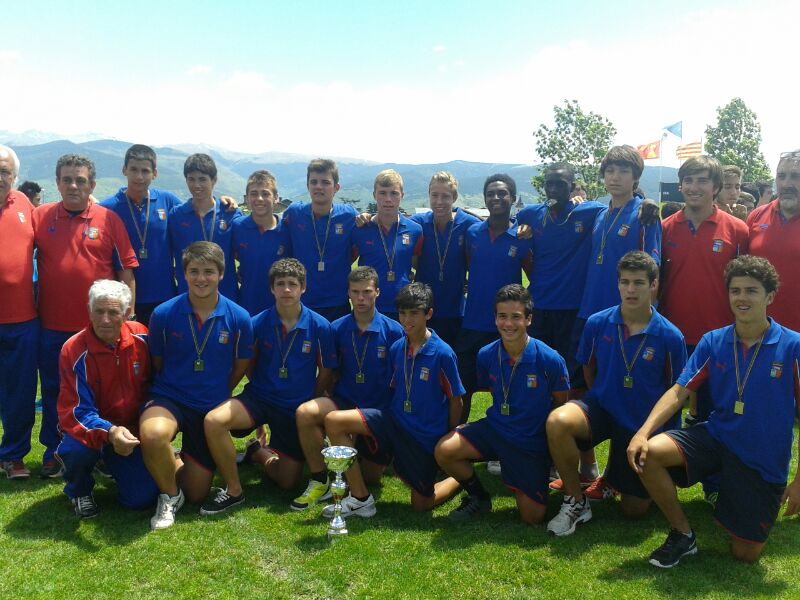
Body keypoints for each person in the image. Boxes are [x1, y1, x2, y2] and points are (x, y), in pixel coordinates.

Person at [628, 255, 800, 567]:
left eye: (751, 290)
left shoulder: (793, 346)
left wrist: (799, 481)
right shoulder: (714, 341)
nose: (742, 298)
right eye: (735, 290)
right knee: (649, 452)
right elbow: (679, 391)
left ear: (770, 296)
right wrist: (642, 433)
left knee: (745, 554)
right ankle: (683, 534)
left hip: (761, 459)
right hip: (717, 437)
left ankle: (734, 498)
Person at [546, 251, 686, 536]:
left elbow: (676, 391)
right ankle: (575, 500)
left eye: (639, 282)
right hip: (602, 408)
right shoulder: (597, 323)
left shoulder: (671, 336)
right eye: (625, 282)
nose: (631, 290)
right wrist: (604, 394)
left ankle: (619, 477)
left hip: (641, 424)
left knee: (634, 510)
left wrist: (655, 436)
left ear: (653, 285)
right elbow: (589, 369)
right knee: (558, 421)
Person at [203, 258, 337, 514]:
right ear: (272, 288)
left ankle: (257, 452)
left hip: (294, 407)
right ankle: (233, 490)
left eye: (292, 284)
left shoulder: (320, 326)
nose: (286, 289)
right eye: (280, 284)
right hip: (260, 398)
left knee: (287, 482)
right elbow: (248, 363)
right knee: (214, 420)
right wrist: (261, 387)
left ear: (303, 288)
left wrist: (313, 398)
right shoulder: (257, 323)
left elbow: (327, 370)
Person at [33, 154, 138, 478]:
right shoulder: (40, 217)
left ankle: (103, 449)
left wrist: (128, 314)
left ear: (92, 184)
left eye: (80, 180)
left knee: (104, 393)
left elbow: (126, 271)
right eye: (67, 179)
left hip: (99, 327)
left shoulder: (109, 220)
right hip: (52, 325)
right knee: (54, 391)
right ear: (57, 183)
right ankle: (54, 451)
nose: (73, 186)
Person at [139, 241, 253, 530]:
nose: (201, 278)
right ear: (184, 274)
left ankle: (174, 462)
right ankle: (169, 496)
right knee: (153, 435)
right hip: (170, 398)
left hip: (209, 406)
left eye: (209, 272)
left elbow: (241, 364)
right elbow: (157, 361)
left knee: (197, 493)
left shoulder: (239, 317)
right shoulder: (163, 313)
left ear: (221, 274)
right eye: (194, 271)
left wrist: (219, 390)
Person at [324, 283, 465, 515]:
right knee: (334, 420)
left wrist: (447, 439)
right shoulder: (397, 347)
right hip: (393, 422)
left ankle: (458, 477)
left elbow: (455, 401)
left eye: (414, 313)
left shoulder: (443, 353)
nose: (407, 320)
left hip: (422, 436)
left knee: (421, 505)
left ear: (429, 314)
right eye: (403, 313)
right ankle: (360, 498)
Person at [435, 284, 569, 523]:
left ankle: (527, 473)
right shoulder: (486, 355)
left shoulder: (550, 359)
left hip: (529, 441)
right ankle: (478, 497)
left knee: (532, 517)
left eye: (516, 317)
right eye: (502, 316)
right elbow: (491, 389)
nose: (508, 324)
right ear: (495, 318)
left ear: (528, 319)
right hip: (496, 429)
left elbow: (560, 404)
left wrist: (547, 446)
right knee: (445, 450)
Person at [293, 267, 404, 515]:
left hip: (377, 409)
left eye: (367, 292)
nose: (361, 298)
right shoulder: (337, 328)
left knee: (371, 477)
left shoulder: (394, 330)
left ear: (378, 292)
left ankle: (359, 463)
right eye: (355, 292)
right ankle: (321, 479)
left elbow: (400, 380)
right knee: (305, 413)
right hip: (344, 401)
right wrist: (323, 394)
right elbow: (331, 370)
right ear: (348, 294)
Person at [659, 156, 749, 447]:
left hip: (718, 338)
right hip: (673, 336)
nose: (694, 187)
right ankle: (664, 468)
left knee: (714, 414)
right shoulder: (665, 228)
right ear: (680, 186)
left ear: (716, 187)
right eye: (688, 180)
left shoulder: (738, 230)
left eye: (702, 180)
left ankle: (711, 473)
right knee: (667, 412)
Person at [55, 280, 158, 517]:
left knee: (141, 499)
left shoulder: (142, 336)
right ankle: (79, 490)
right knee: (75, 451)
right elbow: (77, 412)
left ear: (127, 313)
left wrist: (149, 429)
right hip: (90, 429)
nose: (105, 320)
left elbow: (156, 385)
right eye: (98, 311)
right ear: (89, 311)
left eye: (113, 313)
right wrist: (110, 432)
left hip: (131, 431)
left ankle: (109, 462)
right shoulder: (73, 349)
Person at [456, 174, 533, 422]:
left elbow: (534, 276)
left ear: (513, 198)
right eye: (491, 194)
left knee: (508, 388)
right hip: (473, 323)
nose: (496, 198)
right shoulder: (472, 233)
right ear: (485, 199)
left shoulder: (523, 237)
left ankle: (506, 440)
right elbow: (470, 266)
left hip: (508, 326)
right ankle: (456, 436)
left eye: (502, 193)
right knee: (464, 386)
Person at [100, 144, 183, 326]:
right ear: (124, 170)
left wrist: (223, 203)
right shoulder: (107, 208)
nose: (139, 176)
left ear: (155, 173)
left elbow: (195, 211)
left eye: (145, 171)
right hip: (123, 299)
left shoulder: (167, 200)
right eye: (134, 170)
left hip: (165, 296)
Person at [0, 145, 39, 480]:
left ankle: (13, 456)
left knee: (20, 393)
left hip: (21, 319)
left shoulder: (24, 203)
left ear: (14, 176)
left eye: (4, 172)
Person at [409, 172, 480, 348]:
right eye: (434, 195)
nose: (439, 201)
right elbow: (391, 222)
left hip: (456, 311)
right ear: (429, 195)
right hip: (423, 310)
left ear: (454, 197)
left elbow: (495, 226)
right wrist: (367, 217)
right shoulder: (418, 223)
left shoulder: (468, 224)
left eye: (445, 196)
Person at [281, 159, 357, 322]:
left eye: (325, 182)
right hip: (302, 301)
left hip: (338, 302)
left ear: (336, 187)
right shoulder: (294, 213)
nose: (319, 187)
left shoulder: (349, 216)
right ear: (308, 185)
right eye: (314, 182)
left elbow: (357, 248)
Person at [168, 153, 242, 302]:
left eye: (202, 179)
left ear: (214, 180)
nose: (196, 185)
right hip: (188, 296)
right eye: (191, 179)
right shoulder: (176, 215)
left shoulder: (230, 213)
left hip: (225, 296)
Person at [352, 169, 423, 321]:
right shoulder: (360, 229)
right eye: (383, 193)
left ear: (402, 195)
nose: (388, 199)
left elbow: (419, 265)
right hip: (369, 307)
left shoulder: (415, 230)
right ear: (374, 195)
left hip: (402, 308)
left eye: (394, 193)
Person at [746, 150, 800, 332]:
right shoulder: (756, 216)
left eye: (796, 176)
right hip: (759, 331)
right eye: (781, 176)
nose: (786, 184)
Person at [232, 170, 291, 316]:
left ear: (276, 198)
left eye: (265, 194)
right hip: (246, 307)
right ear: (246, 198)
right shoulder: (237, 227)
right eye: (254, 194)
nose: (259, 199)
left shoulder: (288, 230)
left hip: (281, 309)